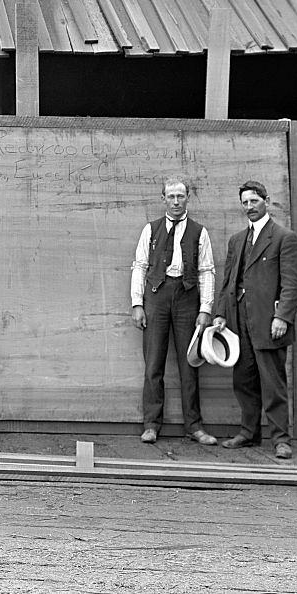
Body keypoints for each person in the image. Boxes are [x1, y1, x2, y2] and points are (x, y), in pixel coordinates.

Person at [213, 180, 297, 460]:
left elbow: (293, 284)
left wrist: (283, 318)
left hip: (269, 322)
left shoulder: (283, 237)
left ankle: (280, 439)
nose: (249, 207)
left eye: (254, 201)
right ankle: (248, 433)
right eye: (245, 203)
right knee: (244, 380)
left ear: (267, 201)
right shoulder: (237, 240)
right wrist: (221, 314)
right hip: (240, 321)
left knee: (273, 382)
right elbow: (228, 281)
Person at [130, 178, 218, 446]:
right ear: (163, 198)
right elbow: (140, 266)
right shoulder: (151, 229)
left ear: (188, 197)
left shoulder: (199, 232)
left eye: (181, 196)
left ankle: (194, 426)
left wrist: (205, 309)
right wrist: (137, 304)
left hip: (187, 298)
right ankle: (151, 424)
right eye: (171, 197)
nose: (176, 202)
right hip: (156, 296)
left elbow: (207, 271)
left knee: (189, 363)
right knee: (154, 363)